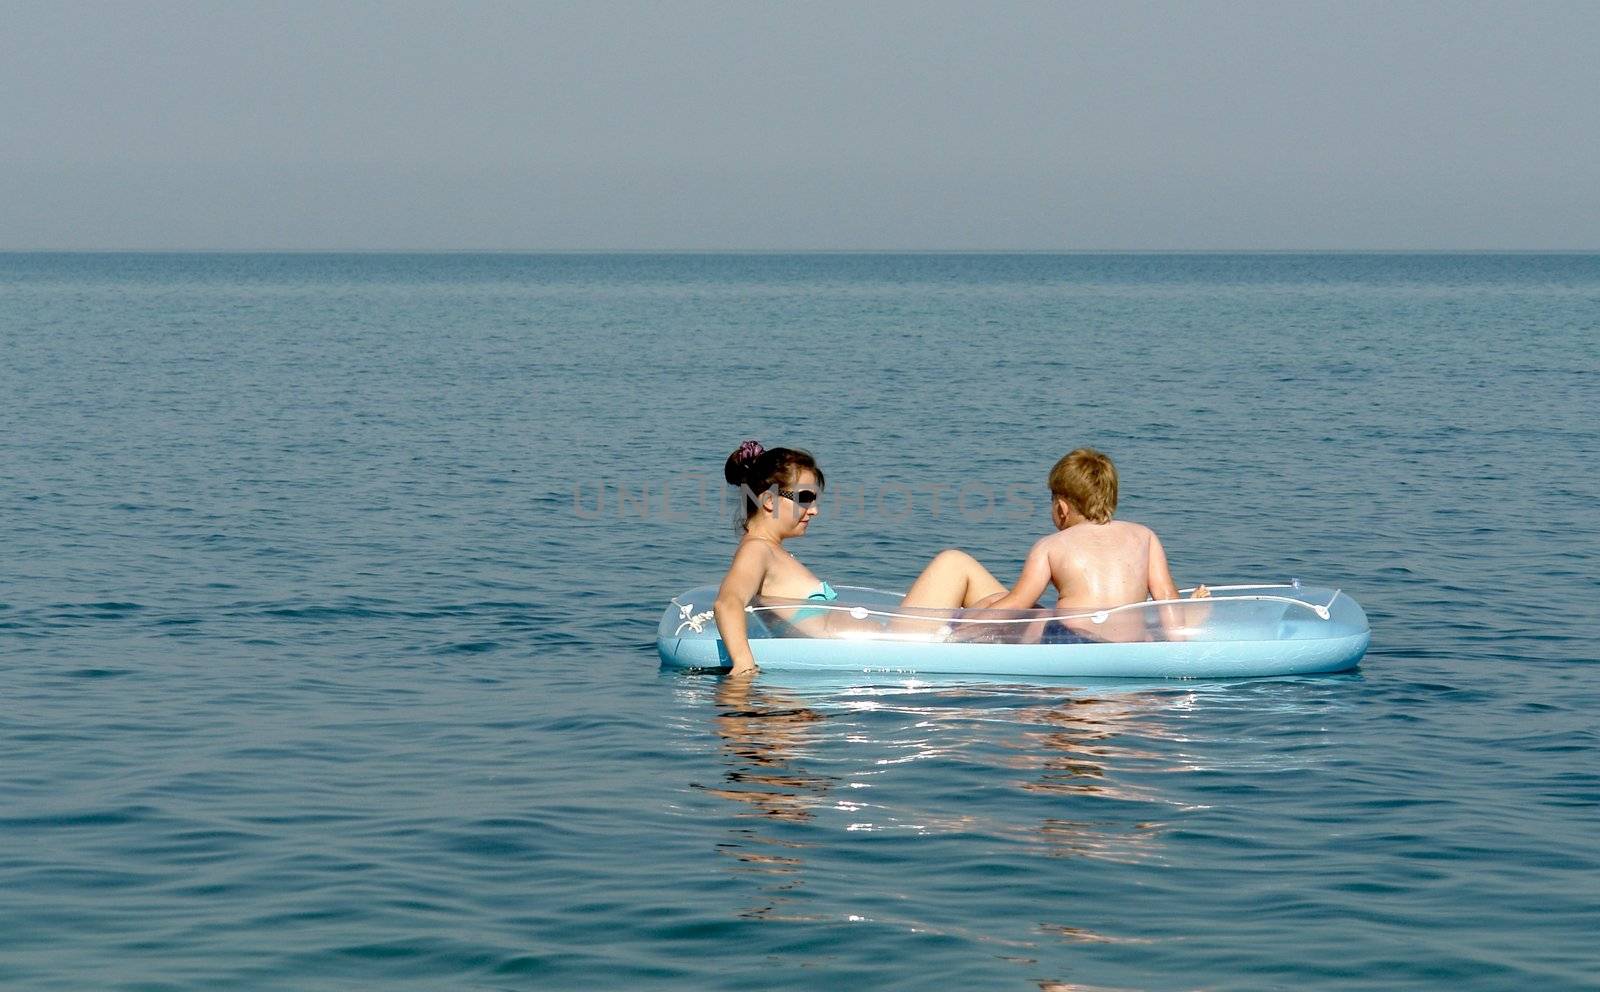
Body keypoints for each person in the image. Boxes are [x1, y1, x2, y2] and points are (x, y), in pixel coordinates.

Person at [713, 441, 1006, 675]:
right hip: (891, 647)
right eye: (805, 499)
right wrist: (743, 664)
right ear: (768, 501)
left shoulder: (771, 552)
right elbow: (728, 601)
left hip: (889, 640)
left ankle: (1040, 626)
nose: (814, 511)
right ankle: (1045, 632)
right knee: (954, 564)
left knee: (988, 601)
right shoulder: (756, 550)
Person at [985, 448, 1207, 642]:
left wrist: (963, 632)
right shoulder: (1145, 536)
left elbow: (1017, 603)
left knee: (1002, 605)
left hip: (1072, 641)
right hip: (1130, 644)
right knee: (1148, 626)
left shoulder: (1049, 546)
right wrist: (1179, 641)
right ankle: (1194, 615)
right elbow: (1166, 596)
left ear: (1061, 508)